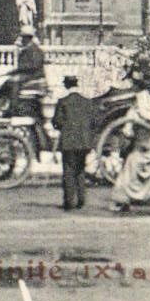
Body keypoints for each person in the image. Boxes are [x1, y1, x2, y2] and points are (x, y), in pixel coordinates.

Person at [52, 75, 95, 211]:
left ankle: (69, 201)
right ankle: (81, 199)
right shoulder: (87, 101)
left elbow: (57, 122)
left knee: (68, 171)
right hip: (84, 141)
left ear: (66, 86)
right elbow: (93, 121)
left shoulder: (63, 102)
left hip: (68, 142)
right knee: (80, 170)